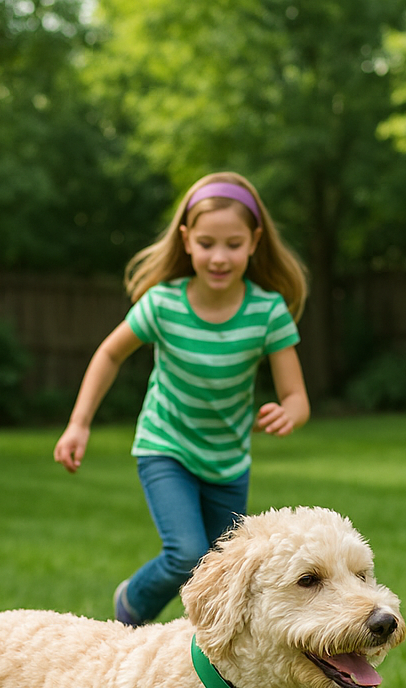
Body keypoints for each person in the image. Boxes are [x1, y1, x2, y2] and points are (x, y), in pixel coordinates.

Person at [54, 172, 311, 625]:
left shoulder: (266, 311)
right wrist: (79, 423)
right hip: (165, 445)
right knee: (187, 553)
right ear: (187, 240)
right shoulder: (163, 305)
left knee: (225, 571)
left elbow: (297, 396)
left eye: (233, 244)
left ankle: (208, 657)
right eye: (207, 243)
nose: (219, 257)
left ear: (253, 243)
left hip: (228, 461)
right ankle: (131, 607)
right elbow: (109, 354)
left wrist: (288, 412)